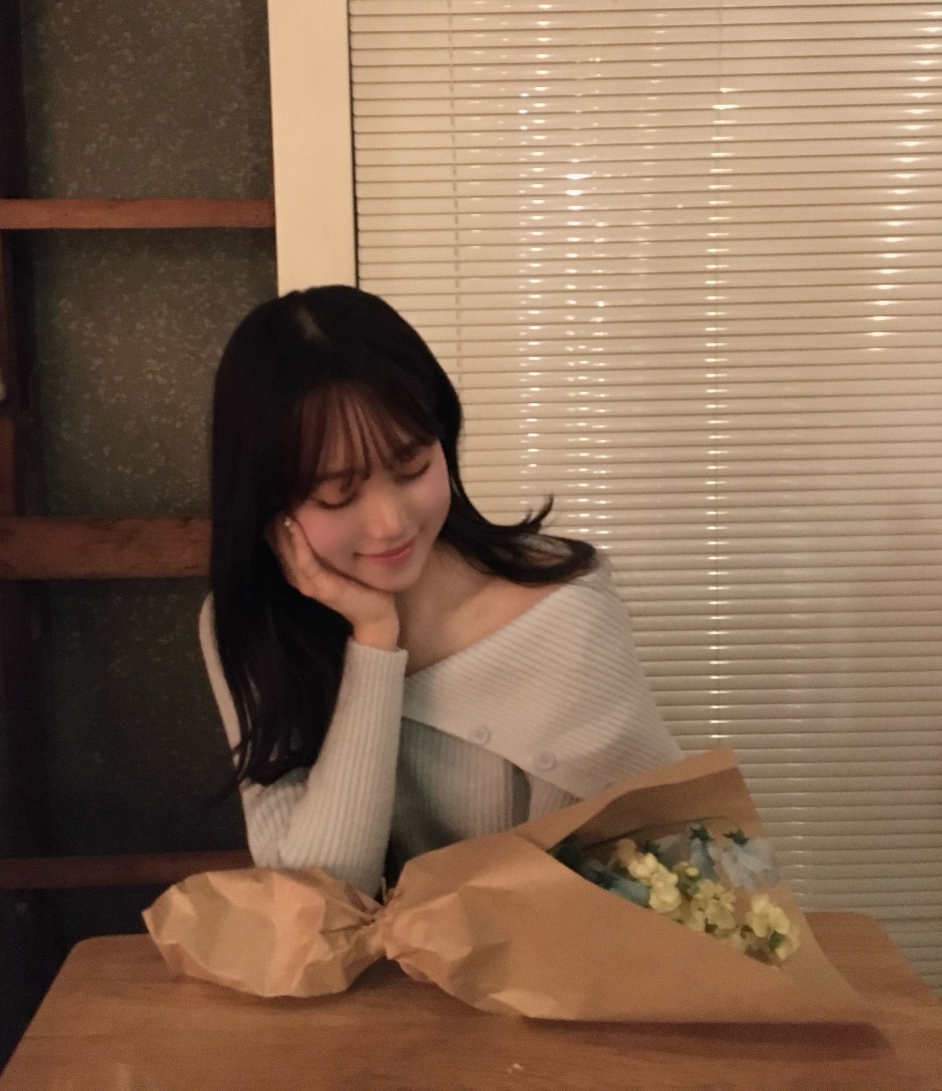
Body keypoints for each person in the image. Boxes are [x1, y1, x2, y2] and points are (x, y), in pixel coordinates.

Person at [200, 285, 681, 900]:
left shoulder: (559, 607)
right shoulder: (250, 624)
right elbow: (318, 899)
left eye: (412, 468)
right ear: (270, 506)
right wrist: (375, 642)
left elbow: (648, 870)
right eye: (337, 496)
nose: (390, 524)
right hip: (380, 964)